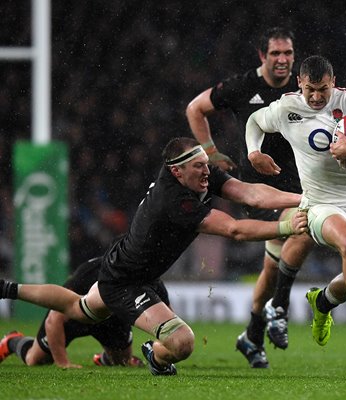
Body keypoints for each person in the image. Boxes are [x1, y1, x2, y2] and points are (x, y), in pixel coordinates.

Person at [0, 137, 308, 376]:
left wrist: (305, 197)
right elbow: (235, 230)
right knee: (182, 342)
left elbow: (250, 193)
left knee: (77, 308)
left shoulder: (192, 171)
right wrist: (284, 225)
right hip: (124, 283)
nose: (207, 171)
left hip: (132, 270)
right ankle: (156, 357)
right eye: (199, 166)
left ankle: (8, 289)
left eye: (205, 164)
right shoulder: (174, 202)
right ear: (177, 171)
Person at [246, 55, 346, 356]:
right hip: (318, 201)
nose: (317, 97)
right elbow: (255, 121)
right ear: (299, 84)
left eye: (323, 90)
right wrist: (254, 152)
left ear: (334, 83)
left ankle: (322, 302)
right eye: (310, 90)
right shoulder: (287, 107)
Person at [186, 26, 315, 368]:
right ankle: (280, 308)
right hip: (258, 192)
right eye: (276, 54)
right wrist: (211, 153)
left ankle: (253, 336)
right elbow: (194, 109)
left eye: (288, 53)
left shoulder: (303, 87)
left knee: (272, 268)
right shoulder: (242, 86)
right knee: (304, 225)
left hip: (299, 184)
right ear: (262, 56)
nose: (283, 60)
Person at [0, 257, 169, 368]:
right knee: (35, 360)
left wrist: (164, 352)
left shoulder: (151, 278)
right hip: (75, 319)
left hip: (111, 319)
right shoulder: (89, 273)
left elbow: (168, 322)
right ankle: (13, 341)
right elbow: (54, 319)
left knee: (122, 363)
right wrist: (63, 363)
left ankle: (104, 359)